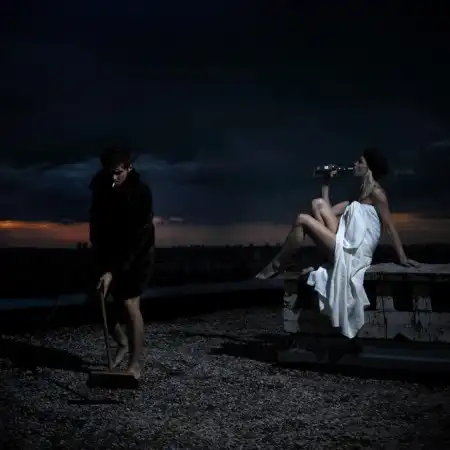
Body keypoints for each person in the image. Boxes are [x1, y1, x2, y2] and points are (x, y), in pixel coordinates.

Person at [255, 148, 420, 338]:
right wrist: (326, 183)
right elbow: (326, 213)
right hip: (345, 243)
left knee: (302, 219)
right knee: (317, 203)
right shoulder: (358, 197)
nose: (355, 164)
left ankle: (277, 265)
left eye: (360, 162)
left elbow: (390, 227)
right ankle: (294, 261)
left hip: (354, 255)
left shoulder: (377, 194)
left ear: (369, 168)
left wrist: (403, 258)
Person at [89, 147, 155, 379]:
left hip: (137, 256)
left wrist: (112, 270)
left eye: (118, 172)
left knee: (129, 304)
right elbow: (96, 226)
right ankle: (122, 343)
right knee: (98, 299)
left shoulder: (141, 193)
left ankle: (134, 365)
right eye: (110, 172)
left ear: (129, 167)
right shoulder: (101, 188)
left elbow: (138, 238)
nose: (114, 177)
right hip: (109, 255)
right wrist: (101, 262)